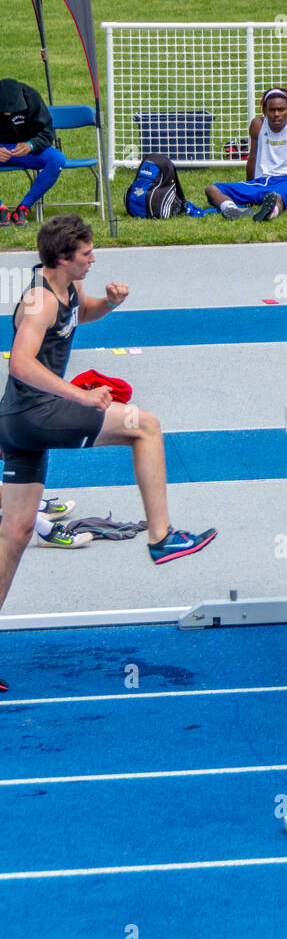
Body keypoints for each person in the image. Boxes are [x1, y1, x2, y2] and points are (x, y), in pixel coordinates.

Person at [0, 214, 217, 687]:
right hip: (34, 414)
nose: (94, 257)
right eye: (86, 253)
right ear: (62, 257)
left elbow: (85, 312)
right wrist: (79, 395)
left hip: (16, 427)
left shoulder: (68, 290)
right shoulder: (39, 301)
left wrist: (110, 305)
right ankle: (162, 537)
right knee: (146, 426)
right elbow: (19, 363)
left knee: (15, 533)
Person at [205, 87, 287, 221]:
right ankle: (232, 209)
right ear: (264, 111)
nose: (276, 114)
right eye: (272, 110)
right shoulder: (257, 125)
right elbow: (252, 158)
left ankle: (269, 213)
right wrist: (250, 185)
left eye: (281, 109)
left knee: (277, 197)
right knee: (212, 189)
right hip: (261, 182)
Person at [0, 78, 66, 227]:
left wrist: (31, 145)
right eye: (3, 109)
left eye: (12, 109)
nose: (7, 113)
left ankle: (23, 207)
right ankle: (1, 209)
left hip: (26, 151)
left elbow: (47, 133)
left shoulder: (32, 97)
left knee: (57, 159)